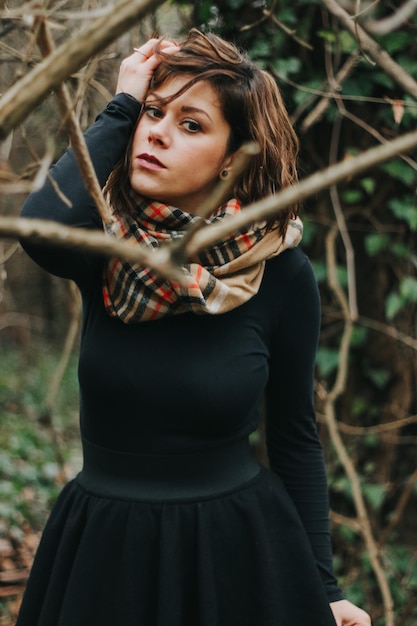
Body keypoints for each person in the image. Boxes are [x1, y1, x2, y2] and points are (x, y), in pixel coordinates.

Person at [16, 29, 371, 626]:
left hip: (233, 550)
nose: (156, 132)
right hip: (104, 548)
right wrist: (121, 105)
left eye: (192, 124)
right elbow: (40, 225)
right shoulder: (106, 249)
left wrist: (324, 587)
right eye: (154, 113)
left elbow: (294, 436)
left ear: (233, 158)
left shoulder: (280, 273)